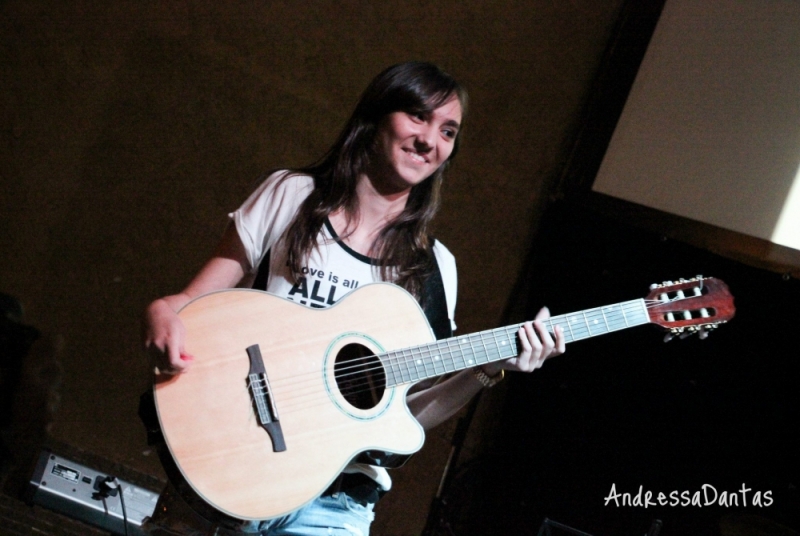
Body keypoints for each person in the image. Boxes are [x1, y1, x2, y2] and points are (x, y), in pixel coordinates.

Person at [141, 61, 565, 536]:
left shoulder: (433, 268)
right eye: (418, 116)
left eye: (448, 131)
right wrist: (160, 312)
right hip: (235, 467)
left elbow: (404, 416)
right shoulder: (292, 197)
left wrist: (489, 368)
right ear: (378, 116)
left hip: (335, 504)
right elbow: (187, 303)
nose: (430, 140)